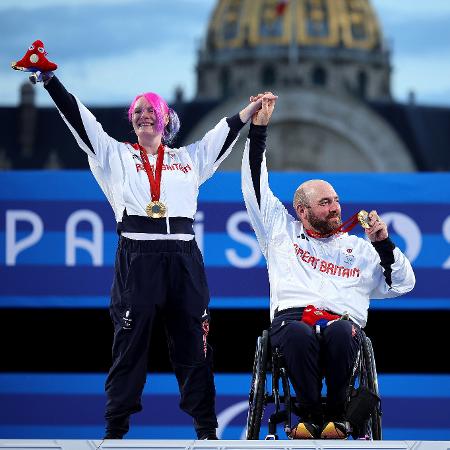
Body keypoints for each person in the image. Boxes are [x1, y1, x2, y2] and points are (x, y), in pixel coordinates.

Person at [13, 41, 266, 440]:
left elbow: (222, 135)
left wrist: (249, 112)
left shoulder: (188, 159)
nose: (144, 116)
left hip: (184, 256)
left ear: (165, 120)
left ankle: (206, 430)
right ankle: (115, 431)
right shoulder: (113, 156)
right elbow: (81, 121)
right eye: (137, 112)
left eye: (152, 111)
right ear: (131, 121)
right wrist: (50, 80)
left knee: (195, 347)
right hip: (137, 257)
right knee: (128, 346)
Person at [241, 93, 415, 439]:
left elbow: (402, 283)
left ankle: (338, 417)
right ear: (302, 211)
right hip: (292, 320)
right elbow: (254, 184)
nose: (335, 208)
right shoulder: (280, 231)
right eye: (324, 203)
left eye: (336, 200)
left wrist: (382, 242)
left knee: (339, 332)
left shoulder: (360, 248)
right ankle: (309, 418)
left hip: (342, 323)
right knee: (296, 333)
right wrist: (258, 129)